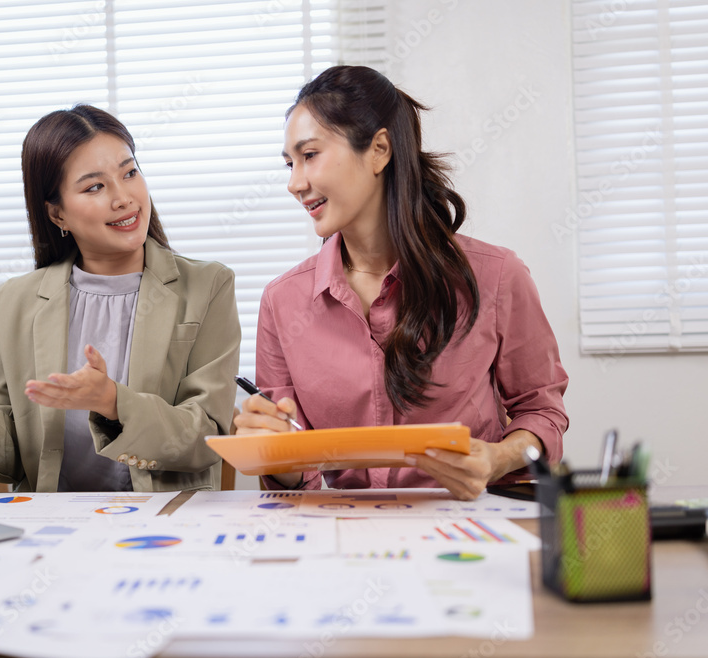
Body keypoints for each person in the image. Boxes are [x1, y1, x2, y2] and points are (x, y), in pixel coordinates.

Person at [0, 104, 240, 492]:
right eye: (95, 186)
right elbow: (7, 459)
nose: (124, 197)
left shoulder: (206, 286)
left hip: (166, 529)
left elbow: (206, 437)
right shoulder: (13, 302)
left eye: (130, 172)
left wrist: (114, 402)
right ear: (57, 215)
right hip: (51, 529)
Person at [234, 66, 568, 500]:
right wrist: (274, 452)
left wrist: (497, 458)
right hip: (345, 531)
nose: (295, 183)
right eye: (288, 163)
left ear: (379, 150)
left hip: (467, 525)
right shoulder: (283, 301)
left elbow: (541, 410)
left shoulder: (497, 276)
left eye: (310, 155)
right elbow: (296, 474)